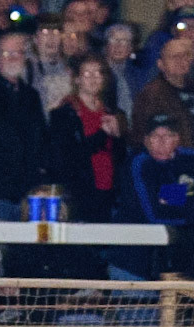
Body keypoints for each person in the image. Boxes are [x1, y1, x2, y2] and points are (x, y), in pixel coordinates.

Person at [110, 113, 194, 282]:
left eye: (168, 135)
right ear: (146, 140)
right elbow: (154, 213)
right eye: (155, 136)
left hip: (176, 266)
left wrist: (168, 198)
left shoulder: (191, 159)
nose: (161, 141)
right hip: (134, 266)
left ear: (177, 139)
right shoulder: (139, 163)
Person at [0, 31, 49, 222]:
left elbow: (41, 140)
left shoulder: (31, 96)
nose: (13, 58)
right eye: (6, 53)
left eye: (18, 53)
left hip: (28, 193)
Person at [49, 54, 125, 224]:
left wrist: (118, 136)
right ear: (77, 79)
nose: (93, 79)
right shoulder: (65, 113)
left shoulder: (112, 111)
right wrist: (102, 134)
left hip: (108, 188)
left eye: (98, 73)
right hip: (80, 191)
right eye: (87, 74)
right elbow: (68, 155)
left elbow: (120, 155)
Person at [130, 36, 194, 151]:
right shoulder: (151, 95)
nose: (180, 61)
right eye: (174, 57)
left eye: (185, 56)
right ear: (160, 64)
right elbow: (141, 135)